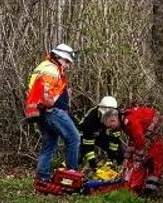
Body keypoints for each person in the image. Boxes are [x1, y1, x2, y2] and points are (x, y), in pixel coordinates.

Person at [24, 43, 80, 182]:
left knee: (49, 145)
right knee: (74, 138)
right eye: (66, 61)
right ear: (59, 57)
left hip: (41, 113)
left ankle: (42, 177)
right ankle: (72, 176)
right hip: (52, 111)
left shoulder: (42, 66)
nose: (68, 65)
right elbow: (46, 94)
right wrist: (51, 104)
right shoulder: (51, 69)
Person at [120, 105, 163, 196]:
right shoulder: (128, 119)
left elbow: (139, 138)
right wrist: (127, 157)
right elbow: (134, 139)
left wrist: (139, 156)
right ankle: (144, 193)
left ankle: (147, 194)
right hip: (154, 138)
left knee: (154, 166)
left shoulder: (129, 120)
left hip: (157, 139)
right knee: (152, 167)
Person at [78, 96, 125, 171]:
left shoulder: (117, 117)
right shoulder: (90, 120)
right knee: (78, 154)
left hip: (101, 135)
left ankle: (120, 171)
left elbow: (115, 139)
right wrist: (93, 164)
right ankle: (69, 172)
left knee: (120, 151)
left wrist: (111, 158)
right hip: (84, 135)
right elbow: (88, 145)